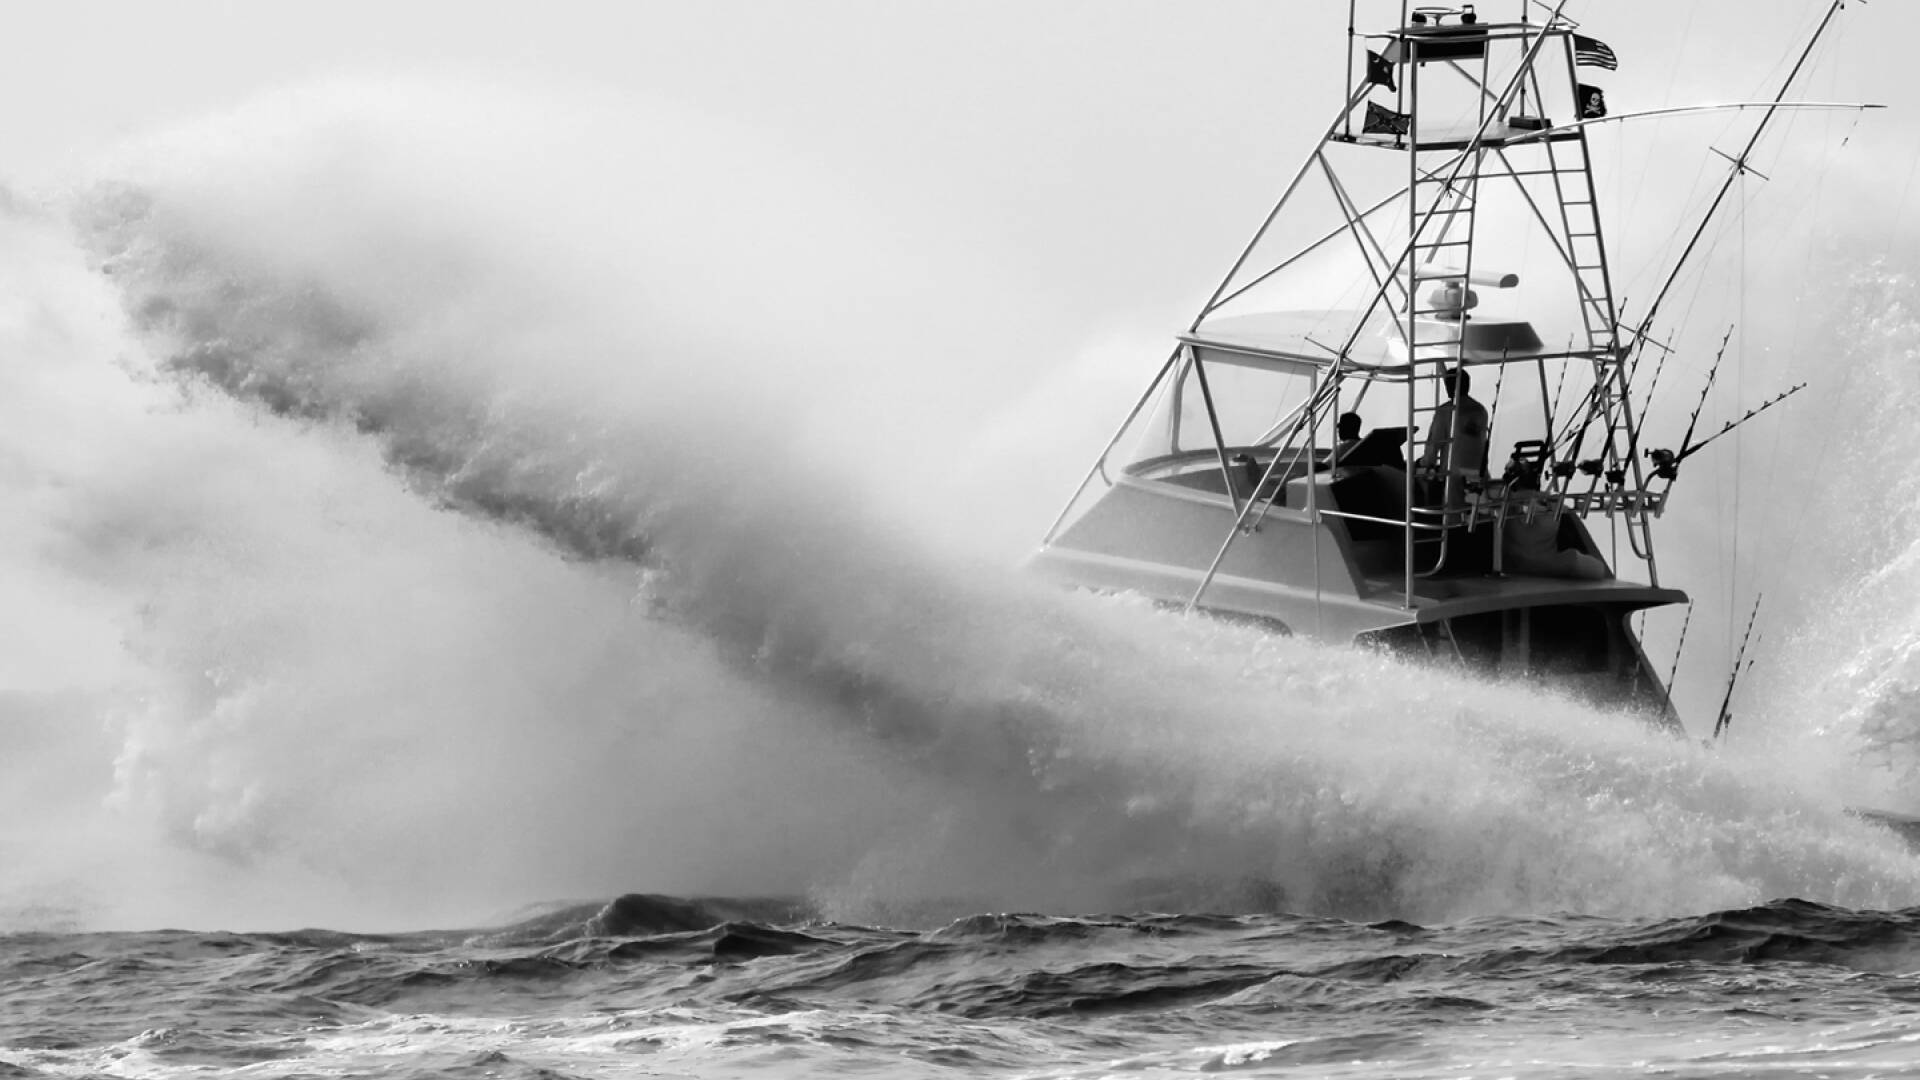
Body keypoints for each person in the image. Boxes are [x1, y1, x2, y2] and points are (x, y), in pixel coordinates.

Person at [1499, 462, 1609, 579]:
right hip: (1547, 564)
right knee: (1583, 563)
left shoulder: (1498, 503)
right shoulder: (1553, 504)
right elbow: (1598, 570)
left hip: (1515, 566)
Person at [1419, 367, 1489, 507]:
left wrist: (1423, 464)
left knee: (1452, 518)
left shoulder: (1445, 411)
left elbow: (1434, 445)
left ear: (1450, 387)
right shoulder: (1481, 410)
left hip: (1454, 478)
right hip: (1479, 474)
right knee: (1476, 517)